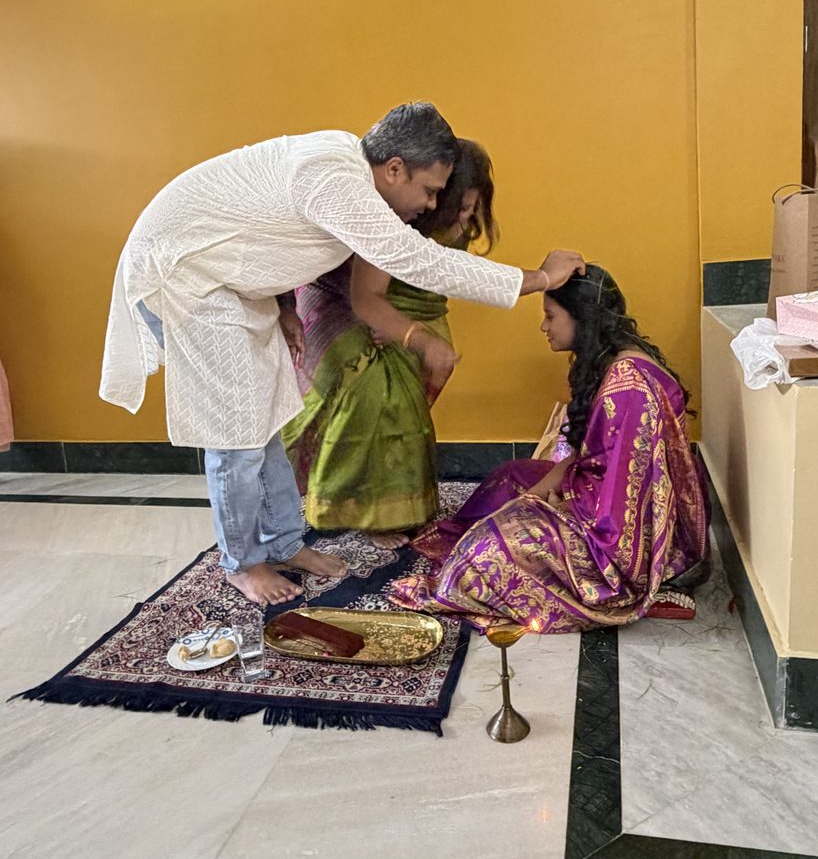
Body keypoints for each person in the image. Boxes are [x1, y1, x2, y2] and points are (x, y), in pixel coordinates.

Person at [99, 102, 584, 605]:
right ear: (395, 167)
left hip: (230, 279)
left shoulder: (344, 166)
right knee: (237, 435)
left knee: (268, 415)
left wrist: (284, 303)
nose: (430, 203)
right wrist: (539, 279)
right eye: (429, 189)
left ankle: (284, 542)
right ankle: (243, 563)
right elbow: (416, 259)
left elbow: (263, 228)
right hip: (187, 278)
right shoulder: (338, 180)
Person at [389, 265, 709, 632]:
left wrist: (562, 505)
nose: (544, 326)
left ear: (582, 319)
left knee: (484, 554)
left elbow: (627, 510)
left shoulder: (629, 389)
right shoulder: (610, 362)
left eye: (550, 316)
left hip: (622, 538)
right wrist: (535, 497)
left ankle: (654, 592)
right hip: (598, 492)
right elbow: (587, 454)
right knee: (510, 479)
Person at [281, 139, 498, 548]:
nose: (467, 216)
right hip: (348, 300)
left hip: (418, 309)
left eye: (474, 206)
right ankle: (362, 508)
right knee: (376, 394)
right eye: (459, 206)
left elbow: (453, 274)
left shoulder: (449, 217)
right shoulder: (396, 217)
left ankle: (393, 502)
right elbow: (369, 293)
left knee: (406, 404)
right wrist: (399, 327)